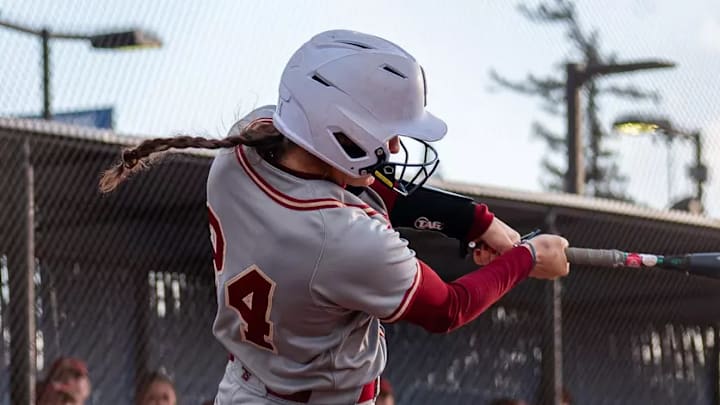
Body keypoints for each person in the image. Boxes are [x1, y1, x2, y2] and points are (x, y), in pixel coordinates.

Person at [100, 29, 569, 404]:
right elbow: (448, 308)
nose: (394, 148)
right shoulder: (341, 237)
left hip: (244, 388)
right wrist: (528, 257)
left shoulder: (247, 142)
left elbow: (362, 180)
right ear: (339, 131)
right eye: (386, 133)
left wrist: (474, 221)